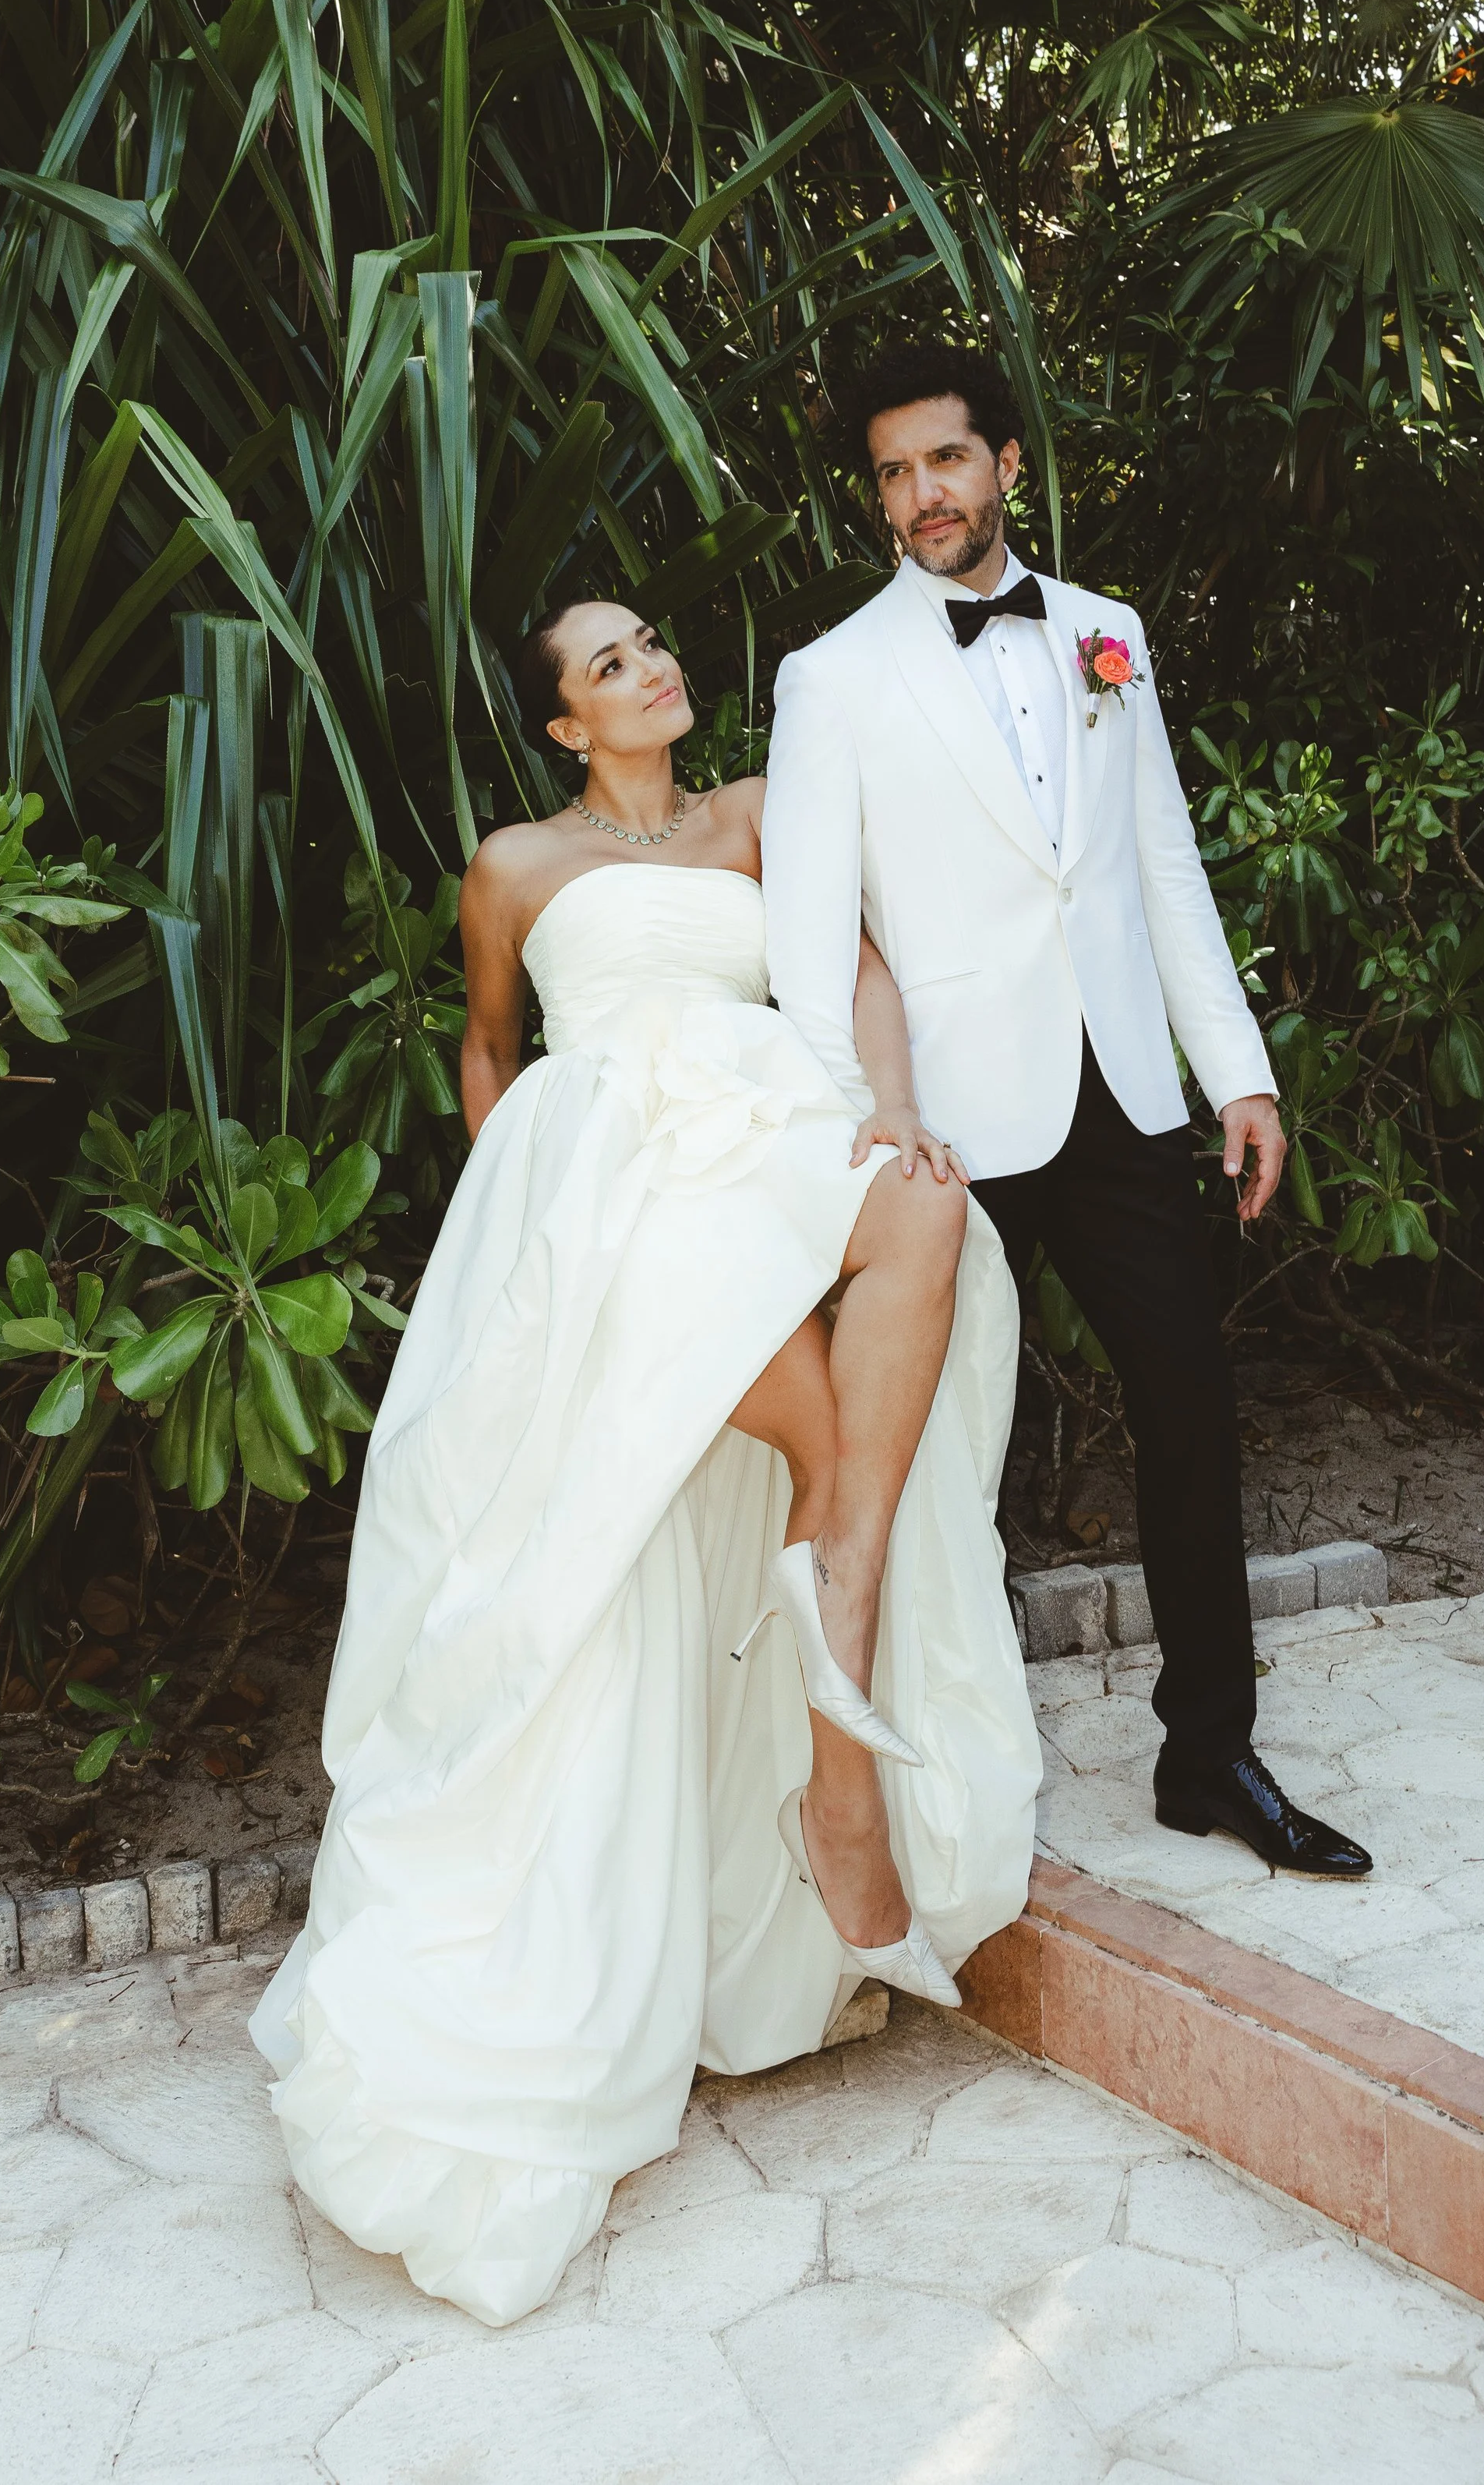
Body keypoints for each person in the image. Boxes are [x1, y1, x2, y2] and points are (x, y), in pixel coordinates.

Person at [251, 597, 1039, 2327]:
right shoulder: (514, 863)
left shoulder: (759, 811)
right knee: (804, 1414)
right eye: (606, 664)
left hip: (766, 1128)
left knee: (925, 1208)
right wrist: (521, 1227)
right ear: (564, 725)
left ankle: (835, 1658)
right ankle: (840, 1768)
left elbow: (856, 969)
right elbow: (490, 1047)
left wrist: (893, 1101)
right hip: (617, 1177)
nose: (648, 668)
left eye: (650, 643)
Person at [761, 338, 1371, 1882]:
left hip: (1118, 1097)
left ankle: (1208, 1752)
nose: (920, 495)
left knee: (1189, 1411)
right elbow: (810, 937)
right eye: (892, 474)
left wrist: (1234, 1070)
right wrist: (857, 1133)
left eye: (945, 460)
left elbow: (1159, 861)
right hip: (942, 1135)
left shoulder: (1108, 634)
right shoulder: (832, 677)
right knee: (924, 1457)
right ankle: (897, 1782)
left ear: (1008, 463)